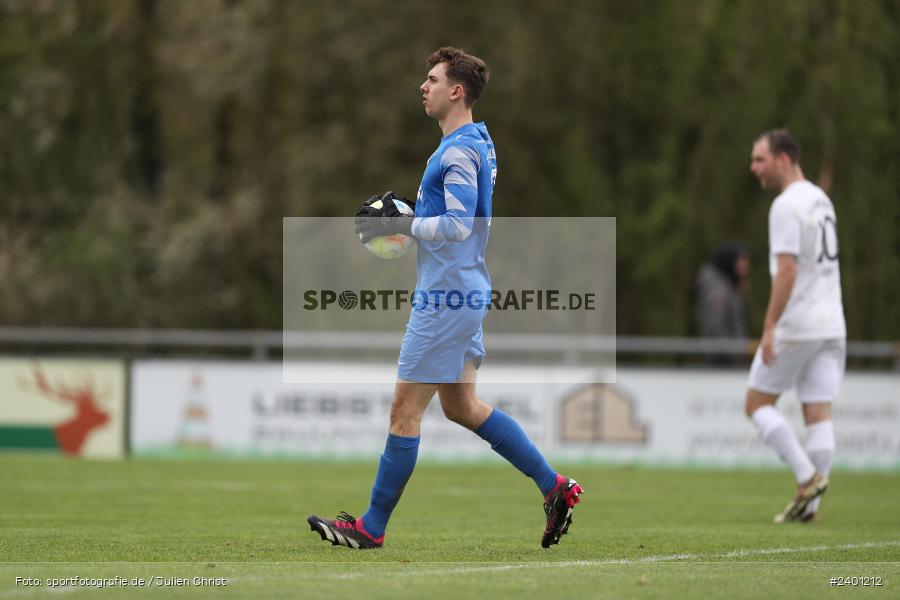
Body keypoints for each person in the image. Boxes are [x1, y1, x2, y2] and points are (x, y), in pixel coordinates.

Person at [307, 47, 582, 549]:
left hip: (446, 298)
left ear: (457, 91)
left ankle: (371, 527)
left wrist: (405, 223)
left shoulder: (457, 149)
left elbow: (457, 225)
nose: (422, 86)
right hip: (465, 290)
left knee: (403, 412)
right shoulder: (478, 141)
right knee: (462, 406)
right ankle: (555, 486)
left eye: (431, 79)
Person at [745, 129, 845, 523]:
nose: (754, 168)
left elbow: (787, 271)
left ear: (783, 158)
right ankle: (810, 509)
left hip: (798, 322)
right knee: (817, 412)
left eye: (759, 159)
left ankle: (808, 478)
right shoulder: (822, 199)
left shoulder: (786, 205)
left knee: (755, 404)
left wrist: (769, 326)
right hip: (832, 324)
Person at [696, 242, 751, 343]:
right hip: (722, 355)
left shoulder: (730, 286)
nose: (746, 264)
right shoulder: (718, 290)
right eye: (741, 259)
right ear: (730, 261)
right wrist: (735, 353)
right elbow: (716, 328)